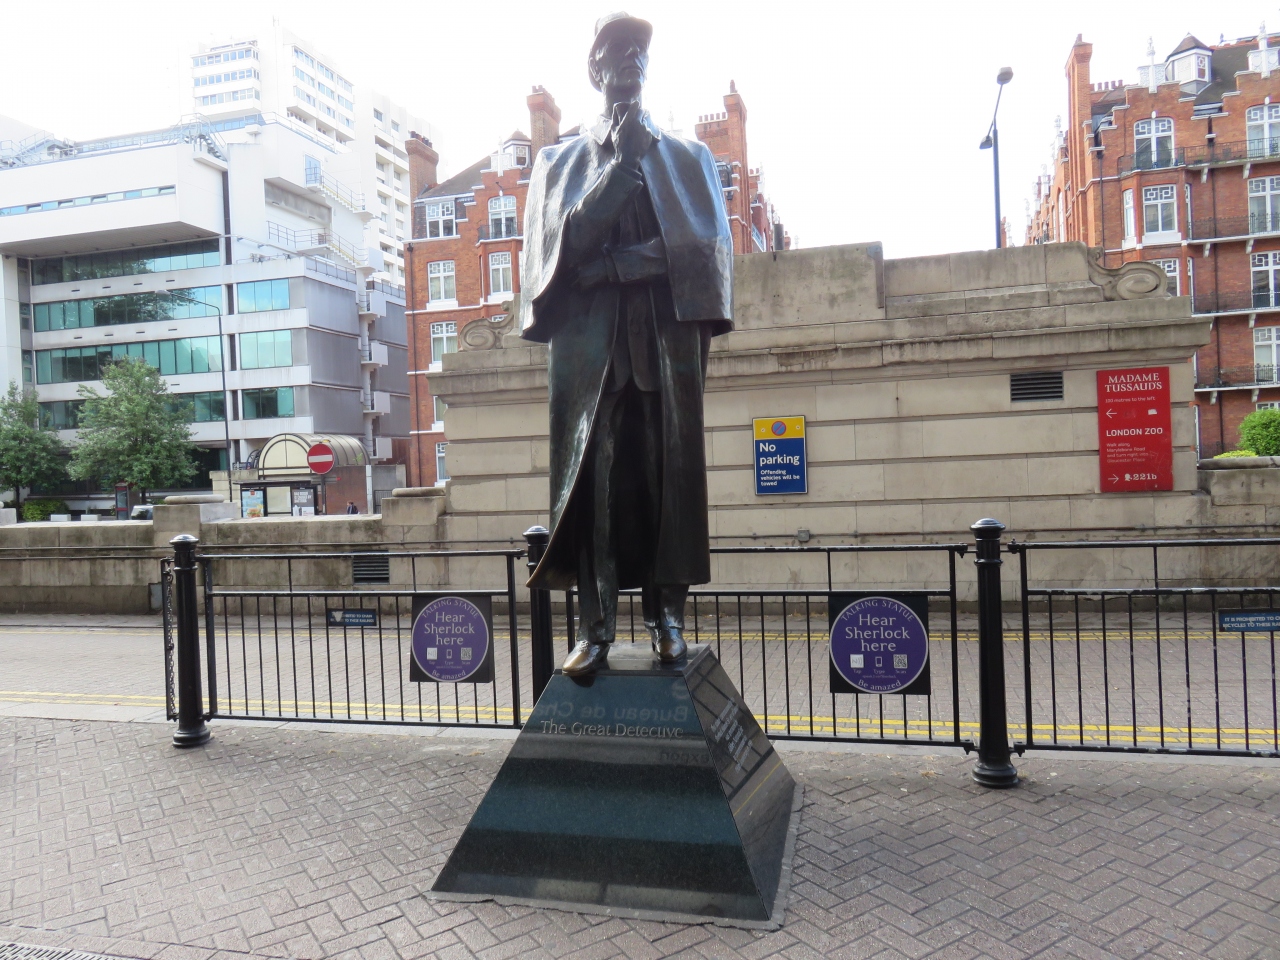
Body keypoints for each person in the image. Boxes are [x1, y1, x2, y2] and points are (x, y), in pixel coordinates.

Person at [520, 12, 733, 675]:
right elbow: (558, 258)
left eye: (639, 48)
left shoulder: (690, 159)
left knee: (668, 484)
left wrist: (617, 265)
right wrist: (624, 168)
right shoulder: (558, 164)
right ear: (595, 68)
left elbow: (705, 257)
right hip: (595, 358)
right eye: (616, 48)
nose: (630, 58)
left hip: (663, 351)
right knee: (597, 493)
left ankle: (667, 618)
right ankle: (596, 629)